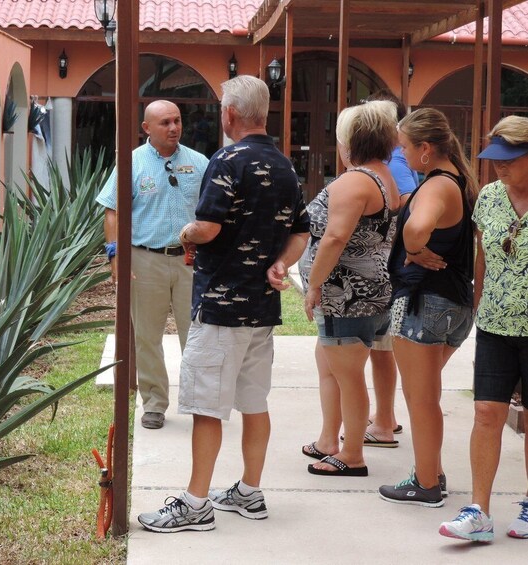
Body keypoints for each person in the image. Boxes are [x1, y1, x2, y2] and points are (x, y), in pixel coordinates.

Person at [136, 75, 309, 532]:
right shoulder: (286, 166)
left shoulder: (226, 160)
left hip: (220, 305)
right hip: (261, 311)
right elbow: (303, 231)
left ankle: (195, 505)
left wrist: (185, 233)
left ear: (230, 113)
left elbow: (208, 227)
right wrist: (280, 265)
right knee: (254, 403)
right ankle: (249, 492)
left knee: (207, 407)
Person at [379, 108, 478, 507]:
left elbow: (417, 228)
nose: (400, 156)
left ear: (425, 148)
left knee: (420, 400)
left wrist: (414, 249)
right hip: (454, 303)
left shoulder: (438, 186)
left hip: (425, 303)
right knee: (427, 396)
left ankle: (426, 484)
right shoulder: (460, 180)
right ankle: (430, 473)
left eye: (404, 148)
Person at [439, 116, 528, 542]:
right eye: (494, 159)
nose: (499, 167)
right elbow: (482, 259)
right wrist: (473, 307)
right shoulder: (489, 198)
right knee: (486, 412)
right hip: (495, 324)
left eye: (509, 159)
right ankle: (479, 511)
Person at [300, 100, 400, 477]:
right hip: (367, 290)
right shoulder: (383, 177)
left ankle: (353, 454)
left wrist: (314, 285)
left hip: (347, 295)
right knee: (329, 365)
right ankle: (329, 440)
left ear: (349, 141)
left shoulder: (355, 181)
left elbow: (335, 237)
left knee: (348, 375)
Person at [96, 100, 209, 430]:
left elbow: (213, 210)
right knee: (147, 336)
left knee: (198, 334)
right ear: (147, 128)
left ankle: (199, 401)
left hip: (191, 261)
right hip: (146, 260)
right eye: (164, 123)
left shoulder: (199, 163)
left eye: (177, 121)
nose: (173, 128)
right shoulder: (131, 163)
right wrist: (116, 256)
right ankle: (155, 403)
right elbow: (112, 211)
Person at [362, 90, 420, 445]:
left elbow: (411, 199)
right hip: (387, 264)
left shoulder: (395, 159)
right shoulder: (391, 158)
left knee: (382, 348)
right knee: (380, 348)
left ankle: (383, 421)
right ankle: (386, 415)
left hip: (387, 266)